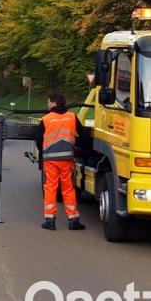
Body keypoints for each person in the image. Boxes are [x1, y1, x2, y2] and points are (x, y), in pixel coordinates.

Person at [35, 93, 86, 231]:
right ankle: (73, 220)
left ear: (54, 104)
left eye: (48, 102)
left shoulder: (46, 119)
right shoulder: (72, 117)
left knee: (50, 188)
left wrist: (44, 151)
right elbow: (83, 135)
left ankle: (50, 220)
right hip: (67, 159)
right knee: (68, 188)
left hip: (51, 160)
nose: (47, 105)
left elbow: (38, 141)